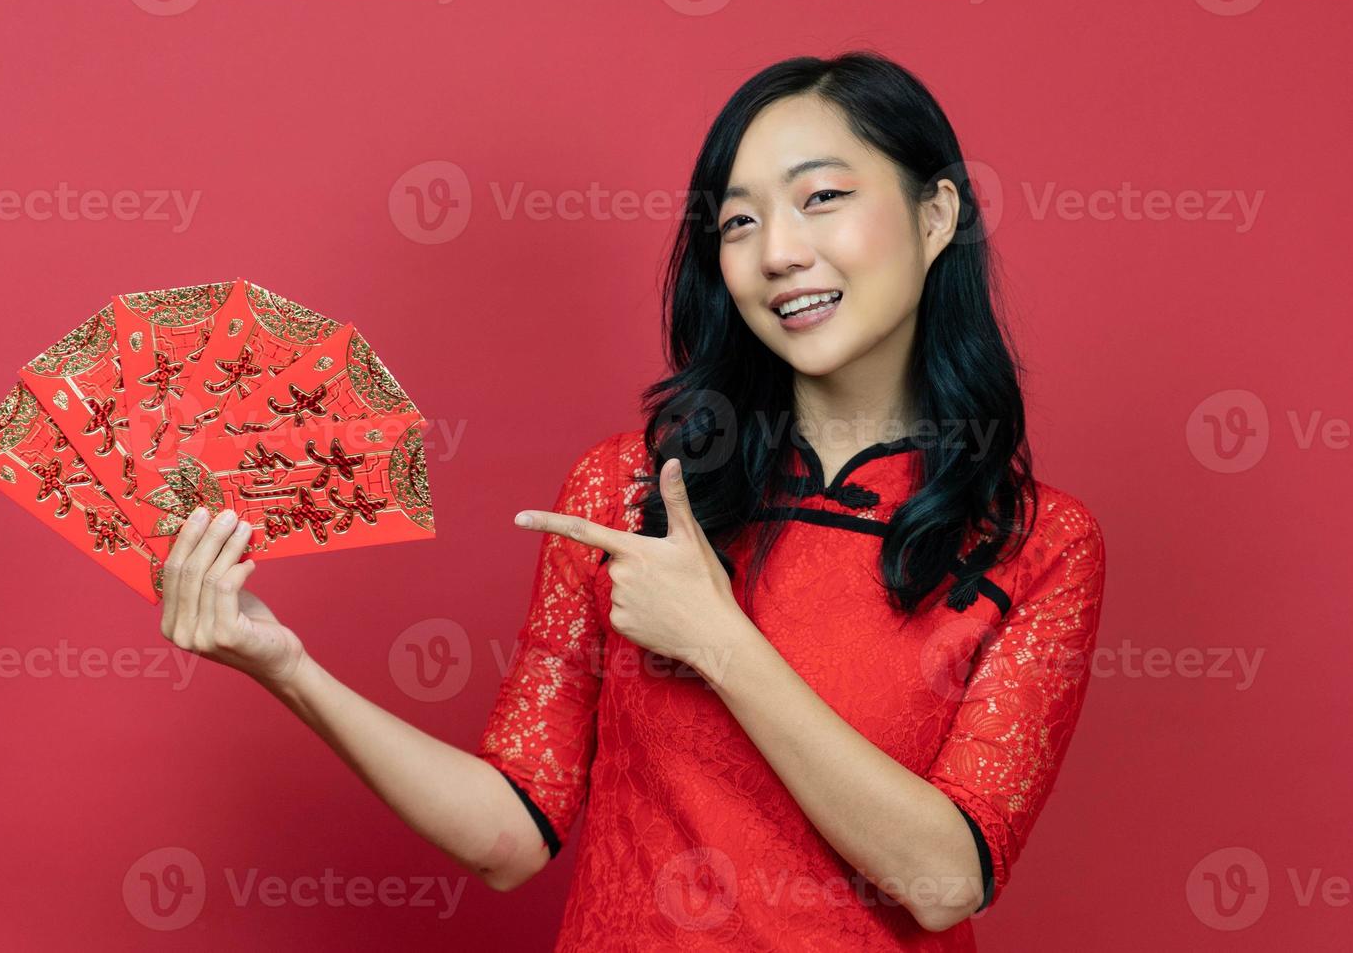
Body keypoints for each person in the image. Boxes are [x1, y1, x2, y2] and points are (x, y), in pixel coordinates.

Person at [155, 50, 1107, 951]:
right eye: (738, 222)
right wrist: (285, 668)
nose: (779, 252)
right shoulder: (629, 491)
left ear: (937, 215)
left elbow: (943, 882)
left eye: (822, 198)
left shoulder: (1036, 543)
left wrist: (719, 641)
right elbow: (509, 831)